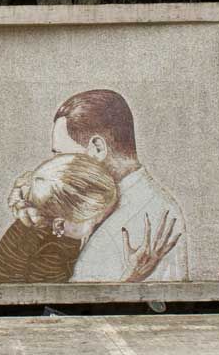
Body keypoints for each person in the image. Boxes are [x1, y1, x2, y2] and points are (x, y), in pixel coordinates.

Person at [50, 89, 185, 282]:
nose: (56, 170)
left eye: (62, 157)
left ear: (98, 148)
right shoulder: (160, 202)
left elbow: (82, 309)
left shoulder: (120, 227)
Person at [0, 153, 118, 283]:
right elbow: (55, 296)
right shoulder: (51, 252)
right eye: (94, 222)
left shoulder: (43, 213)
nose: (100, 224)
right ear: (60, 225)